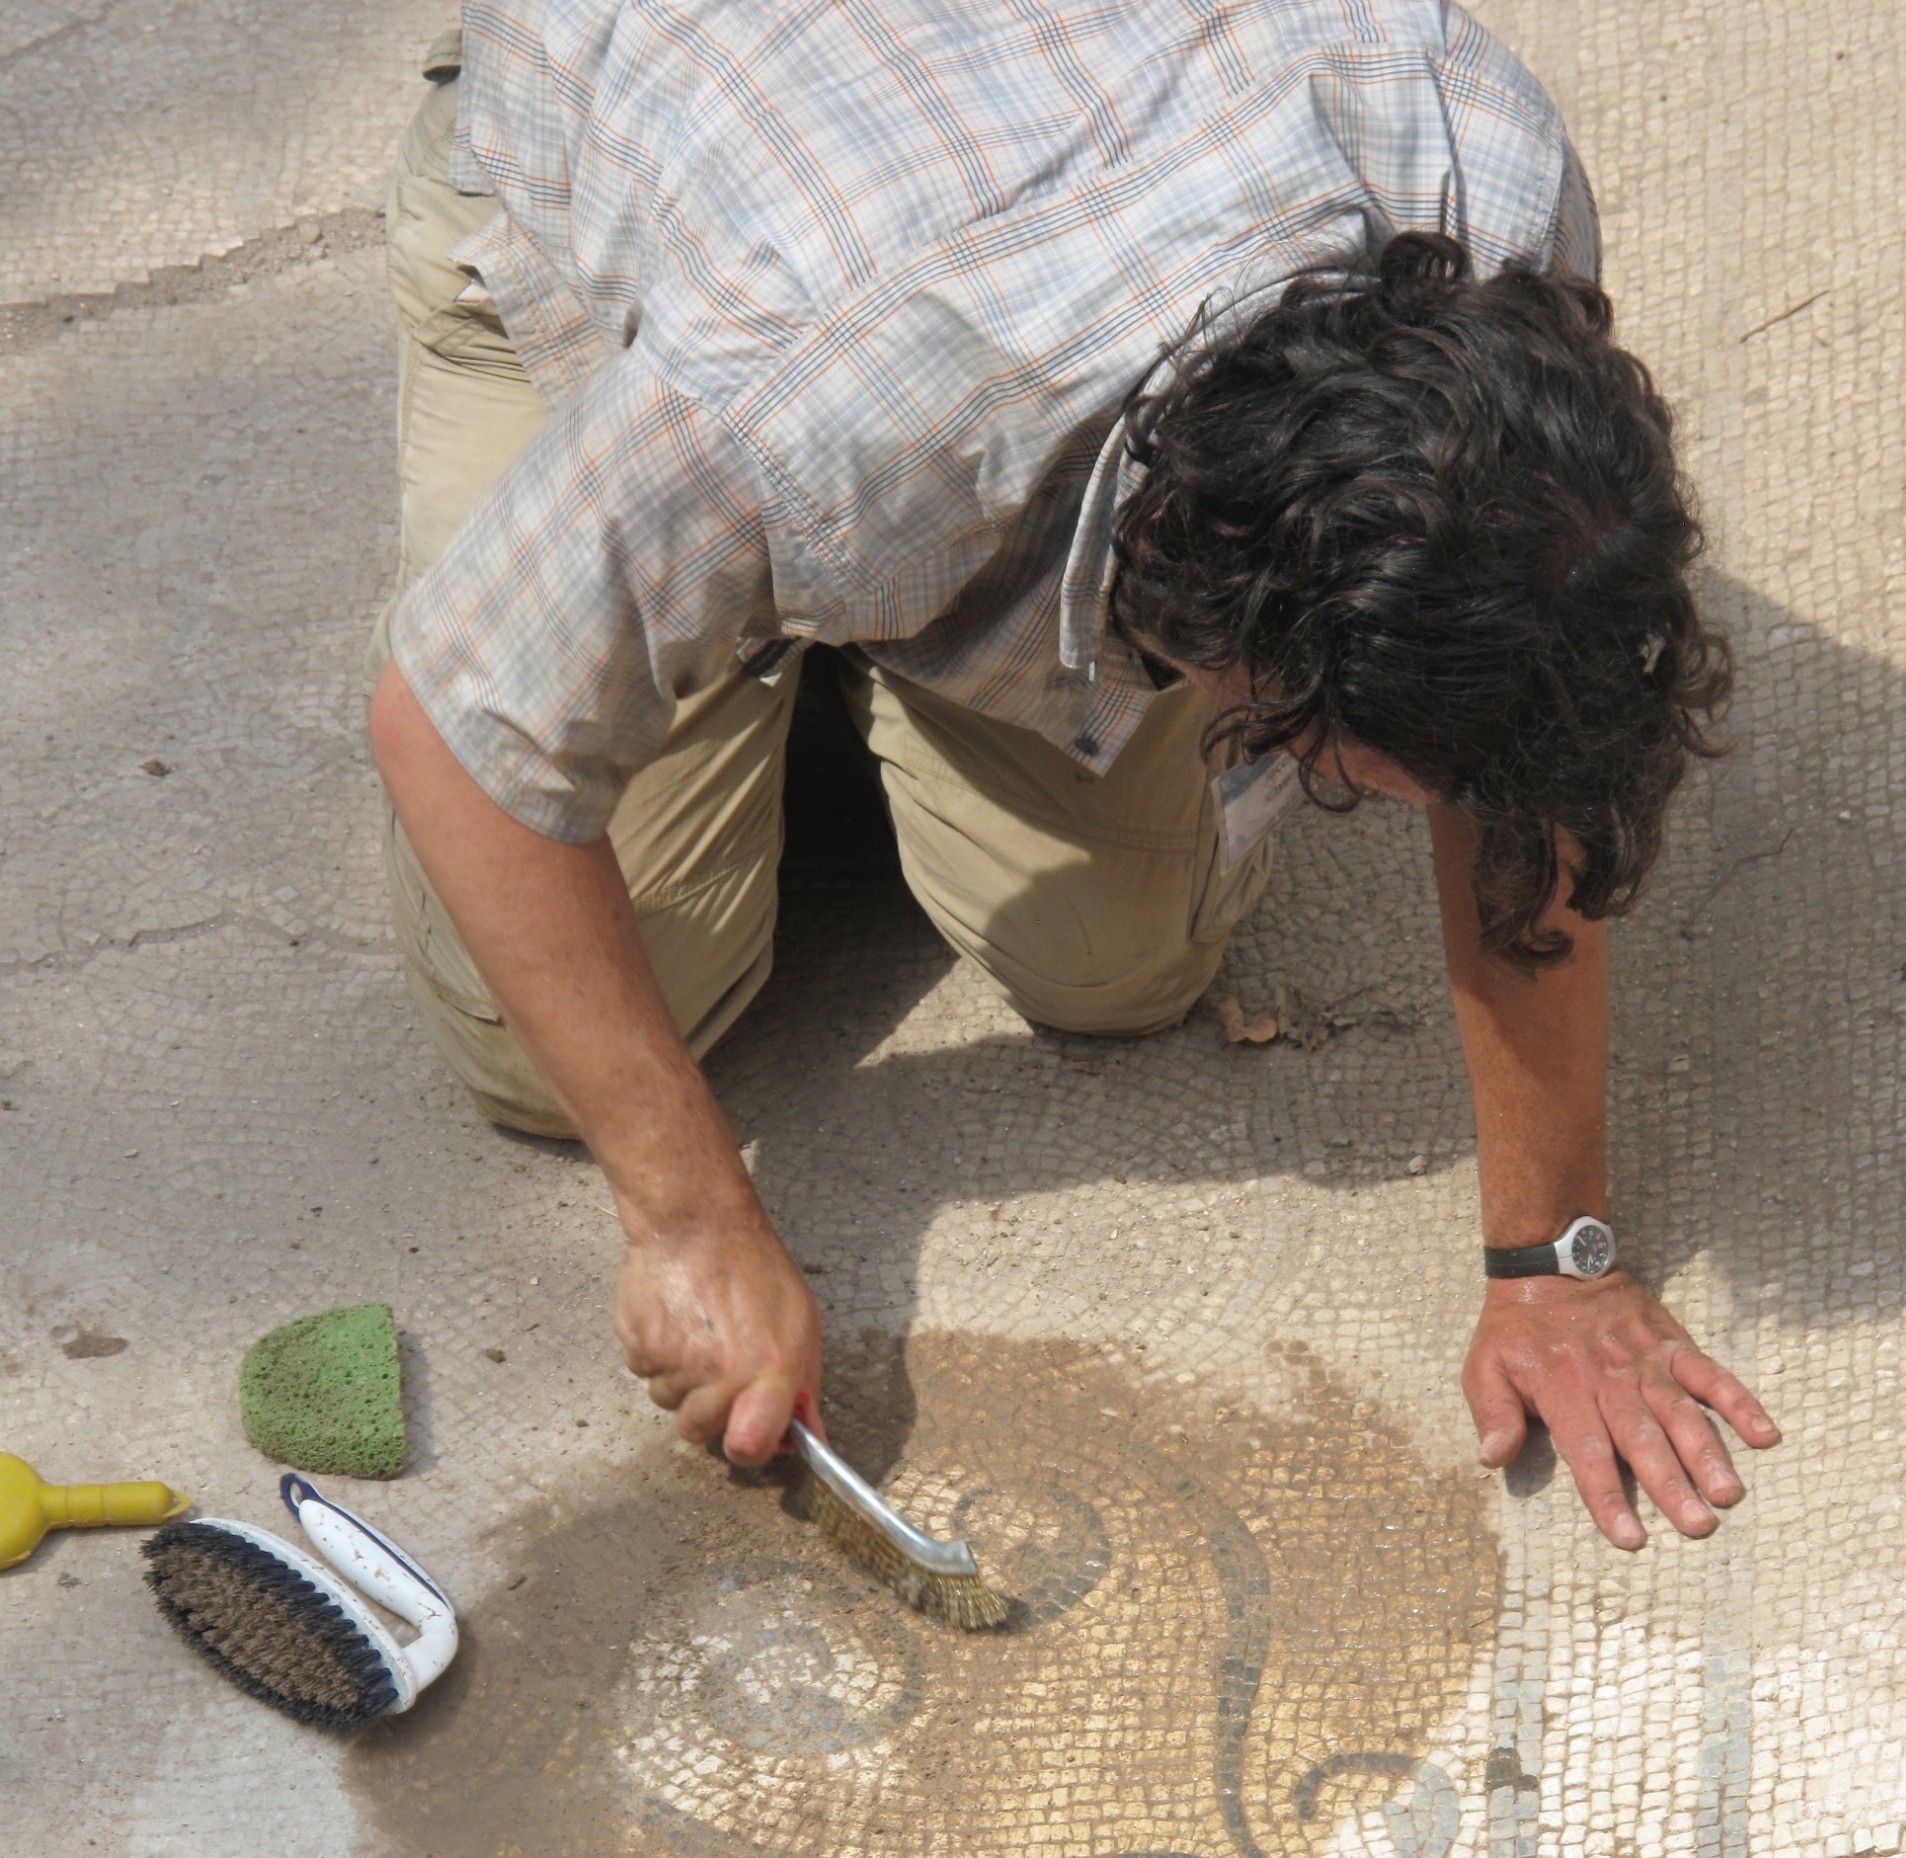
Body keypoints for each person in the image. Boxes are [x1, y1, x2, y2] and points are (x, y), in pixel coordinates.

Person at [366, 0, 1779, 1552]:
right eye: (1382, 768)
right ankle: (712, 592)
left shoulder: (1474, 175)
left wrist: (1556, 1254)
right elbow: (455, 730)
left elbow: (1530, 725)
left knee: (1118, 959)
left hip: (900, 361)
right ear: (1248, 645)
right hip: (618, 193)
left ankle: (767, 610)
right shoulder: (795, 383)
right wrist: (691, 1216)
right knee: (540, 1042)